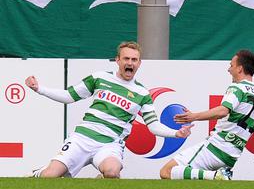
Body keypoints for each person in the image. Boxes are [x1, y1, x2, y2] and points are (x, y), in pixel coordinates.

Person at [25, 41, 193, 178]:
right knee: (50, 176)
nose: (130, 63)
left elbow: (153, 126)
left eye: (134, 60)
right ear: (118, 60)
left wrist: (176, 133)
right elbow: (69, 96)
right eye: (126, 58)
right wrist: (39, 89)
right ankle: (39, 173)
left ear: (139, 63)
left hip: (110, 145)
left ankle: (102, 178)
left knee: (112, 173)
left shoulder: (142, 93)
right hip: (82, 138)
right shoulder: (99, 78)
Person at [160, 49, 254, 180]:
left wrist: (194, 116)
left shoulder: (237, 88)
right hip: (231, 157)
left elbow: (223, 111)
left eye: (231, 65)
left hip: (215, 148)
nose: (229, 70)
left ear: (240, 69)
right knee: (193, 180)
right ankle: (217, 176)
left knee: (166, 171)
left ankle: (217, 176)